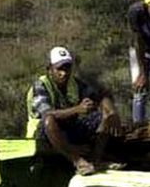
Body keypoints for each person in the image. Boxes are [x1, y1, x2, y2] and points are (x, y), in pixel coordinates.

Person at [26, 46, 122, 176]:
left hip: (69, 129)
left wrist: (112, 112)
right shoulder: (41, 86)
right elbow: (47, 113)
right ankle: (77, 160)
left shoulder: (74, 83)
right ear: (50, 69)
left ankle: (95, 160)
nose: (64, 73)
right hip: (44, 135)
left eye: (67, 68)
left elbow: (100, 96)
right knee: (49, 120)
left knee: (104, 116)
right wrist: (77, 109)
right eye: (59, 69)